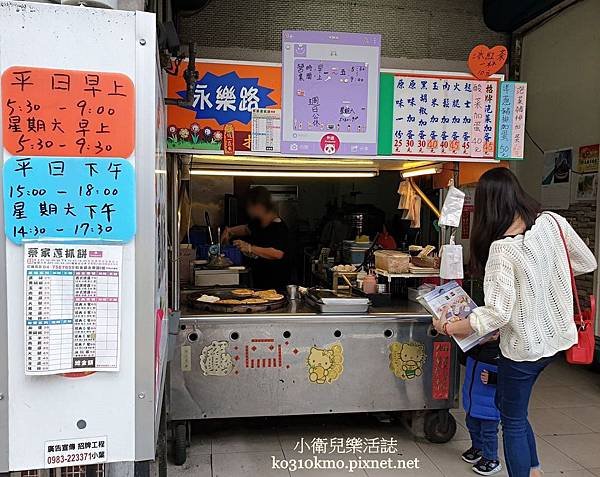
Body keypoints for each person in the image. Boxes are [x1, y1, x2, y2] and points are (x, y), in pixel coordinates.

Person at [432, 168, 597, 477]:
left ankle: (526, 471)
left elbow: (497, 314)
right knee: (511, 407)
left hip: (523, 349)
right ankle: (534, 470)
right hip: (556, 339)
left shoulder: (502, 250)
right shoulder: (552, 222)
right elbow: (587, 261)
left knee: (513, 420)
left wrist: (448, 327)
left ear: (487, 206)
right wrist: (545, 277)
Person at [221, 186, 290, 290]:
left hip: (274, 284)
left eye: (249, 206)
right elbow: (246, 229)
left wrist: (249, 248)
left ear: (258, 206)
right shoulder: (259, 222)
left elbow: (278, 253)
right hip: (259, 281)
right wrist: (230, 231)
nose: (248, 210)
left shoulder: (277, 226)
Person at [460, 338, 501, 476]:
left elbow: (511, 376)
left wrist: (494, 378)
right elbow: (462, 358)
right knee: (472, 424)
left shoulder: (503, 351)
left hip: (490, 405)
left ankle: (491, 458)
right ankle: (478, 448)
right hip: (473, 399)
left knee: (488, 432)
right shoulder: (475, 346)